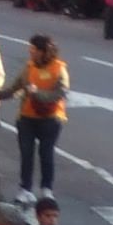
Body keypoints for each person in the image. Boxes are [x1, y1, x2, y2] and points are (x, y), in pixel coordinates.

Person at [12, 33, 69, 195]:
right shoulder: (29, 67)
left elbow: (60, 93)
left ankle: (46, 189)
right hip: (27, 118)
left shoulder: (59, 69)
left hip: (50, 118)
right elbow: (15, 87)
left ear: (44, 51)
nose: (30, 52)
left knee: (46, 153)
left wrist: (37, 94)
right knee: (26, 154)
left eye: (34, 50)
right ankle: (25, 189)